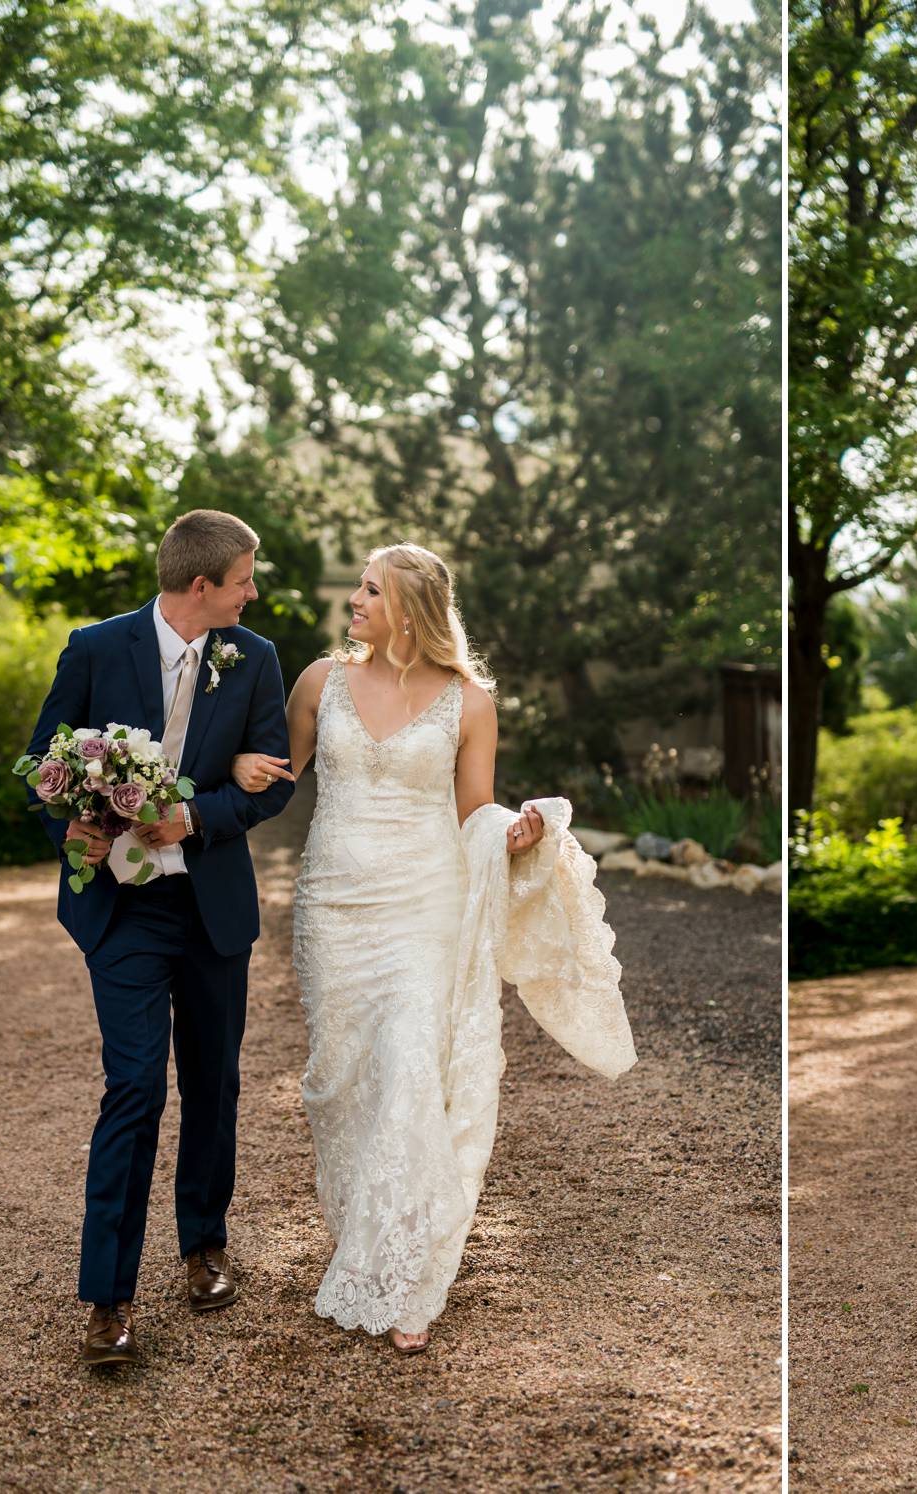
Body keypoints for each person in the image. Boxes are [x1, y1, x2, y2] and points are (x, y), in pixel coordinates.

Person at [230, 542, 634, 1354]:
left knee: (413, 1064)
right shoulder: (320, 681)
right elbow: (278, 777)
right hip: (334, 908)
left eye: (370, 590)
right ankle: (364, 1232)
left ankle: (407, 1276)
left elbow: (473, 812)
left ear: (410, 607)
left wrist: (513, 836)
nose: (355, 599)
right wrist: (241, 764)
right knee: (344, 1082)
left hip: (425, 907)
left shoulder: (469, 701)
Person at [23, 509, 297, 1367]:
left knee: (214, 1083)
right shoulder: (95, 648)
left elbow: (271, 783)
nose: (256, 593)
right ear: (202, 585)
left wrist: (197, 816)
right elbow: (43, 767)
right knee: (135, 1088)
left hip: (211, 906)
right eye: (246, 579)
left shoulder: (252, 660)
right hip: (123, 911)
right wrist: (71, 832)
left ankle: (204, 1245)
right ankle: (108, 1299)